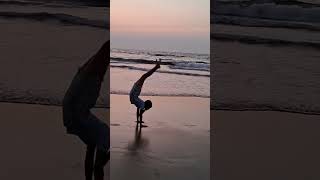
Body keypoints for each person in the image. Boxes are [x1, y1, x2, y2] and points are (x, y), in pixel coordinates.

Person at [62, 41, 110, 180]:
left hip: (72, 111)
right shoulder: (92, 73)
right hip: (76, 113)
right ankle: (98, 167)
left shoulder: (90, 69)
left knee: (92, 142)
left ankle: (90, 175)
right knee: (105, 134)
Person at [129, 59, 161, 125]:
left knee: (144, 76)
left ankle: (156, 66)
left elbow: (139, 112)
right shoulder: (142, 105)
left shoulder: (141, 104)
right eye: (149, 108)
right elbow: (140, 113)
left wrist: (139, 121)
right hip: (133, 94)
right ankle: (156, 66)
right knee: (144, 76)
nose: (148, 109)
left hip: (134, 93)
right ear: (147, 106)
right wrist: (139, 122)